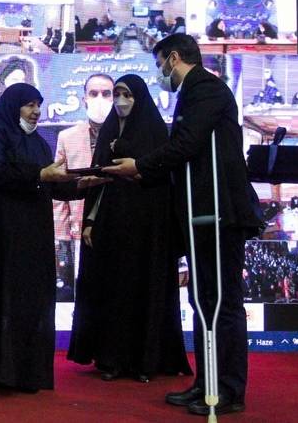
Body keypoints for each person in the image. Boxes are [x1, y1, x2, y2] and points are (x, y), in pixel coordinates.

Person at [104, 34, 263, 416]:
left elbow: (188, 144)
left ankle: (228, 390)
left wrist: (141, 166)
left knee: (222, 303)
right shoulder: (192, 92)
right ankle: (206, 383)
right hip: (198, 214)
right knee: (203, 301)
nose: (161, 72)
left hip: (219, 212)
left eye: (160, 63)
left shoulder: (206, 89)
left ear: (173, 58)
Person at [0, 83, 108, 393]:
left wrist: (82, 184)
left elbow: (49, 184)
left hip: (28, 237)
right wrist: (39, 175)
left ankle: (22, 372)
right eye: (29, 105)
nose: (36, 111)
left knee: (26, 298)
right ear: (13, 105)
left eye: (38, 105)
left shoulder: (38, 143)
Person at [67, 74, 192, 383]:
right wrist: (90, 222)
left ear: (140, 98)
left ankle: (143, 360)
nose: (121, 101)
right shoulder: (108, 130)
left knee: (142, 292)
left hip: (146, 230)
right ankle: (111, 358)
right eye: (118, 94)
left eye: (127, 95)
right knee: (112, 293)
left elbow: (162, 181)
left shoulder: (155, 132)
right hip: (111, 228)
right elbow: (98, 181)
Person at [53, 74, 114, 242]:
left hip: (118, 222)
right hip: (79, 228)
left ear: (114, 98)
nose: (100, 99)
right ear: (84, 99)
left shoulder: (127, 136)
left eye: (106, 93)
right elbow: (59, 186)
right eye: (93, 94)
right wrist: (61, 235)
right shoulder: (67, 137)